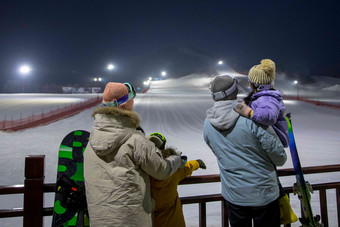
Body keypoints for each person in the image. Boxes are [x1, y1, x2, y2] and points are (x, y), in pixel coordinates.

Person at [84, 82, 184, 227]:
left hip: (99, 220)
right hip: (131, 220)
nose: (133, 104)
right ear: (124, 105)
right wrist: (177, 158)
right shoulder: (135, 140)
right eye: (131, 100)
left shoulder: (92, 141)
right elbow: (162, 170)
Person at [203, 75, 287, 227]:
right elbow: (280, 158)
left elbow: (218, 152)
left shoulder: (208, 123)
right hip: (264, 195)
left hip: (234, 196)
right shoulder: (251, 117)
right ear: (235, 92)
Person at [148, 132, 206, 227]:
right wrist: (196, 163)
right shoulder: (172, 171)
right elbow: (186, 168)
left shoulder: (142, 173)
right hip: (174, 222)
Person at [233, 59, 289, 147]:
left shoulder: (267, 98)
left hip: (271, 143)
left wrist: (249, 112)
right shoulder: (260, 97)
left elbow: (268, 116)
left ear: (251, 84)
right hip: (264, 139)